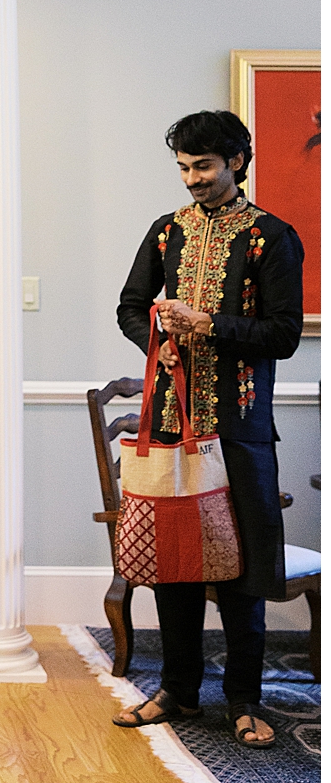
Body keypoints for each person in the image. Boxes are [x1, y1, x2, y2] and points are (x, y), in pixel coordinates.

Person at [112, 109, 304, 747]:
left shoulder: (271, 238)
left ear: (237, 163)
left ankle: (246, 700)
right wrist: (159, 340)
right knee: (175, 564)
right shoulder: (166, 233)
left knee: (241, 569)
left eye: (204, 166)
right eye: (185, 168)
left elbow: (282, 335)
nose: (192, 179)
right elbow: (130, 307)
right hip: (171, 425)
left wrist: (208, 325)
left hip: (239, 430)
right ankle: (178, 689)